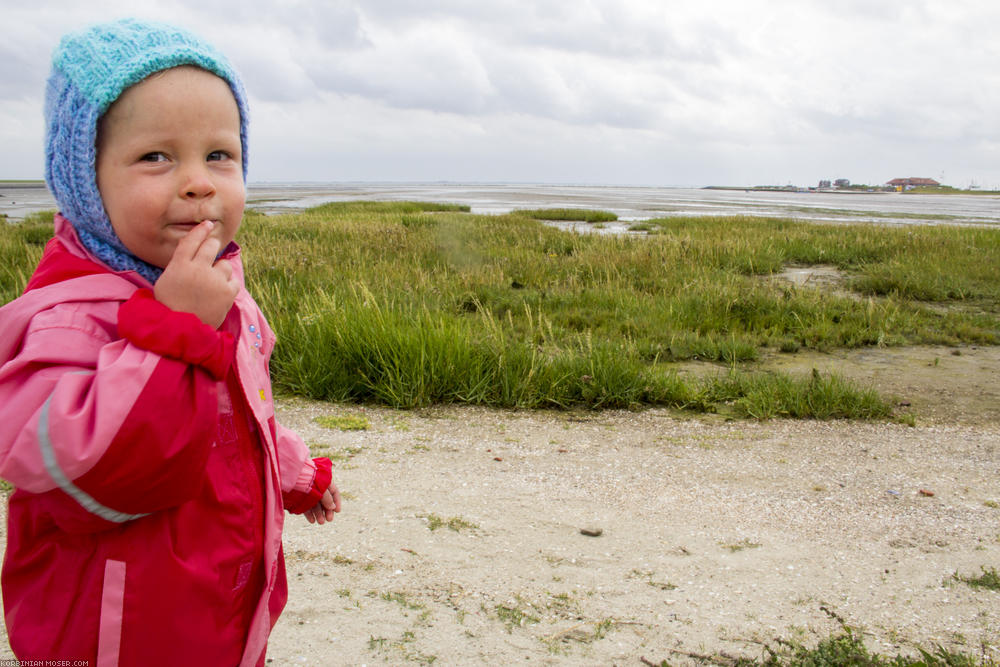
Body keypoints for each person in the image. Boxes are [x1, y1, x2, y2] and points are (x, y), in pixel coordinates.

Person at [0, 18, 341, 666]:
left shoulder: (216, 292)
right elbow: (101, 477)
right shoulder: (67, 321)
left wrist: (292, 471)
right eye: (157, 156)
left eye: (219, 154)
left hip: (217, 610)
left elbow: (238, 413)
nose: (199, 181)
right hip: (114, 636)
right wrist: (175, 329)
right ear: (84, 179)